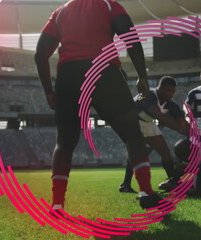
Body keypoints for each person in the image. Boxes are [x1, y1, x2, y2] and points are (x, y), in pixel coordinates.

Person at [34, 0, 161, 211]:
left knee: (64, 144)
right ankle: (146, 191)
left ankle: (57, 203)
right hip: (103, 70)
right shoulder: (108, 4)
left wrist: (49, 90)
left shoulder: (60, 12)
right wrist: (142, 77)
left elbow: (40, 54)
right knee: (132, 135)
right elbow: (130, 38)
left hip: (69, 75)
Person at [119, 76, 189, 193]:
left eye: (173, 91)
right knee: (137, 153)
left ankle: (172, 181)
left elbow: (182, 122)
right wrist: (178, 128)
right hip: (132, 121)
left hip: (146, 122)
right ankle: (125, 185)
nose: (171, 94)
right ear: (160, 88)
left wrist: (194, 134)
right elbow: (157, 114)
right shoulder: (148, 95)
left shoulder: (171, 103)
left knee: (164, 151)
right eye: (168, 91)